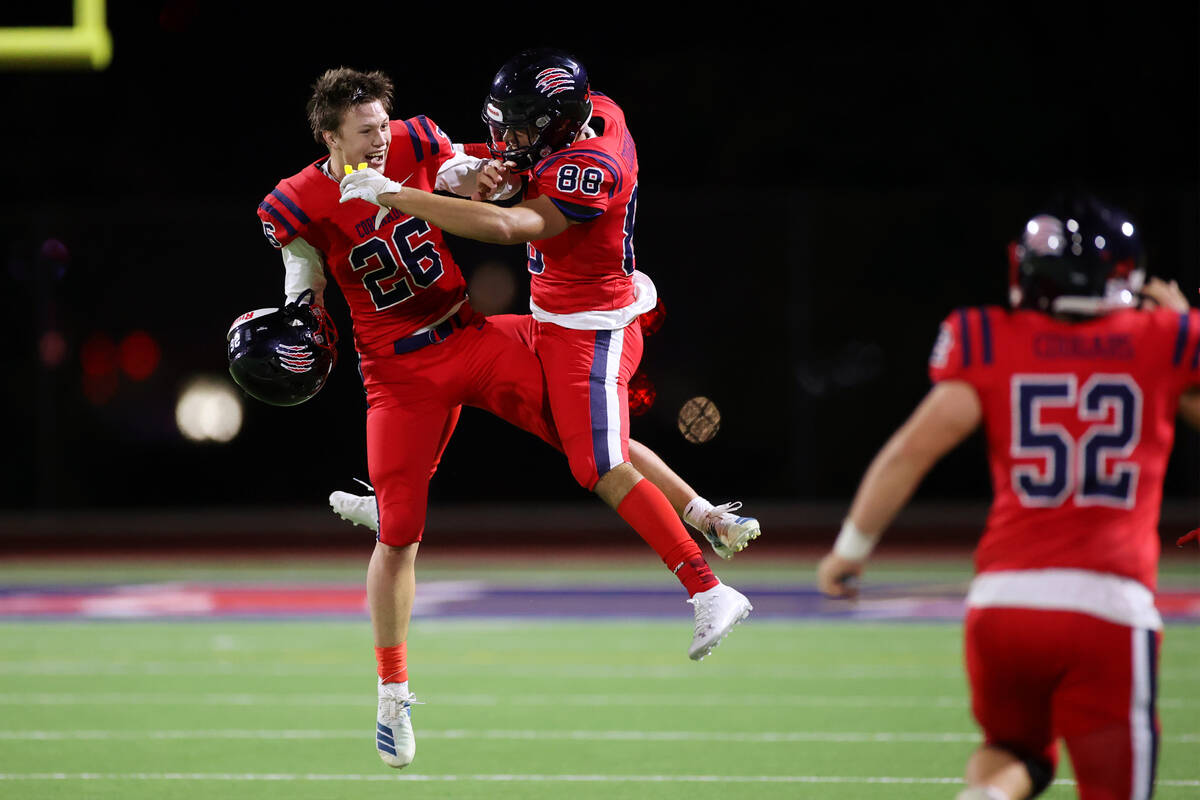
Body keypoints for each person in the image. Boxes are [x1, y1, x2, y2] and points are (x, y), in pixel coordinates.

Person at [255, 66, 754, 772]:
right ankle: (392, 695)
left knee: (589, 437)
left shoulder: (409, 142)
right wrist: (301, 307)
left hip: (472, 334)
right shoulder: (297, 200)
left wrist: (460, 177)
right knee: (400, 536)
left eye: (382, 125)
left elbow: (464, 174)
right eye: (363, 132)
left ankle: (703, 519)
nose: (379, 139)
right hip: (397, 375)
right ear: (329, 136)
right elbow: (301, 263)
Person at [814, 195, 1200, 800]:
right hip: (1110, 605)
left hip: (1003, 604)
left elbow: (908, 453)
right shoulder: (1166, 340)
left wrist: (850, 551)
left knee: (1016, 752)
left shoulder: (990, 338)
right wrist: (1183, 321)